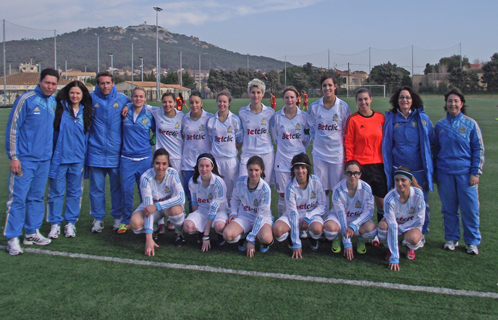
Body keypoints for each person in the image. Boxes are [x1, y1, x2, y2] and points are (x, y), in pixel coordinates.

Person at [4, 68, 59, 255]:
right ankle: (12, 237)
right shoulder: (26, 99)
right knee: (18, 199)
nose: (50, 86)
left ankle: (31, 232)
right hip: (24, 160)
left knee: (36, 197)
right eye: (47, 82)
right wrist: (14, 156)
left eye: (53, 84)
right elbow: (13, 128)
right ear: (40, 81)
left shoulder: (53, 101)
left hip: (44, 159)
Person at [434, 88, 484, 255]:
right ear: (446, 104)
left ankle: (472, 242)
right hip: (445, 174)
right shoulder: (440, 125)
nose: (452, 104)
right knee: (448, 209)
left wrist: (475, 173)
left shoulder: (471, 124)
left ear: (461, 104)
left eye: (456, 101)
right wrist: (435, 173)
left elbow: (478, 149)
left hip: (465, 174)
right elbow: (436, 151)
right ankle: (451, 238)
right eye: (450, 101)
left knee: (470, 209)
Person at [383, 86, 434, 234]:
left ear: (413, 100)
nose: (404, 100)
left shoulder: (422, 119)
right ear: (397, 101)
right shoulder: (391, 119)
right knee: (398, 202)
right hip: (397, 169)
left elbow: (431, 142)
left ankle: (420, 233)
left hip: (418, 170)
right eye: (401, 97)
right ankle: (397, 233)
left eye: (407, 97)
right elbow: (387, 143)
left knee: (421, 203)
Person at [47, 81, 93, 239]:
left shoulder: (85, 112)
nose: (75, 96)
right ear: (67, 93)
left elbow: (86, 137)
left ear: (82, 96)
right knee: (56, 193)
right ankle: (54, 224)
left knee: (75, 193)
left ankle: (70, 223)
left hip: (78, 160)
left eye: (78, 93)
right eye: (72, 93)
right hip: (60, 159)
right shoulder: (59, 109)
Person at [88, 71, 130, 233]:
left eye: (108, 83)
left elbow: (136, 104)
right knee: (96, 189)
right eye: (102, 83)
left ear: (113, 83)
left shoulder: (122, 99)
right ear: (97, 85)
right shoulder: (91, 100)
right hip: (95, 152)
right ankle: (98, 219)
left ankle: (117, 217)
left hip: (115, 153)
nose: (105, 86)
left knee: (116, 188)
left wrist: (129, 106)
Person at [130, 149, 185, 256]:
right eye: (157, 163)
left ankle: (179, 233)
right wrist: (148, 239)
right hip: (152, 209)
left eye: (164, 164)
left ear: (168, 163)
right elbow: (148, 208)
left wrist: (157, 205)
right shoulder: (146, 178)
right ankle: (154, 229)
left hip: (167, 207)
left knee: (176, 212)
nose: (161, 167)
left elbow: (181, 198)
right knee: (135, 223)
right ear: (152, 163)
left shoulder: (173, 173)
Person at [272, 153, 327, 259]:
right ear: (293, 170)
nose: (300, 171)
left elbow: (323, 205)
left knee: (317, 229)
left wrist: (309, 216)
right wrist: (296, 242)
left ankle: (313, 238)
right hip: (293, 215)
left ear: (308, 168)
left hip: (311, 216)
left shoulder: (316, 182)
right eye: (297, 168)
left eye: (303, 167)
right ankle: (290, 236)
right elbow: (292, 213)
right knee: (277, 230)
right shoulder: (290, 186)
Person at [344, 88, 387, 223]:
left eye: (366, 99)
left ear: (371, 99)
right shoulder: (353, 120)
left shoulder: (381, 118)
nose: (363, 102)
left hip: (379, 166)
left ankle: (381, 234)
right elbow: (348, 143)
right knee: (361, 203)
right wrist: (350, 165)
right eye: (360, 100)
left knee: (381, 202)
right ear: (356, 101)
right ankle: (363, 234)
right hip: (361, 167)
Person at [117, 87, 155, 234]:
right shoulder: (125, 112)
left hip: (145, 158)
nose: (138, 99)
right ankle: (126, 221)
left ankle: (147, 220)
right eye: (135, 96)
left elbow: (157, 130)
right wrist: (126, 105)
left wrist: (152, 140)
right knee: (126, 192)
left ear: (145, 99)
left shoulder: (150, 115)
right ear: (131, 98)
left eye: (141, 97)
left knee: (145, 192)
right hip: (126, 159)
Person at [307, 73, 351, 198]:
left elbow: (346, 131)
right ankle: (323, 215)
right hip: (319, 153)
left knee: (337, 188)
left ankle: (337, 215)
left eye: (330, 85)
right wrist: (318, 142)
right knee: (322, 188)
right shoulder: (314, 107)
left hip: (337, 153)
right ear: (321, 88)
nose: (327, 88)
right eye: (324, 85)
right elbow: (311, 128)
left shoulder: (343, 107)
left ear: (335, 86)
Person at [146, 92, 184, 234]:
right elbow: (143, 104)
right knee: (158, 189)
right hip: (160, 159)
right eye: (164, 102)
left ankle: (173, 220)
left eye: (170, 102)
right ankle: (159, 221)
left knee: (175, 189)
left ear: (175, 102)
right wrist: (127, 105)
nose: (167, 105)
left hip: (176, 159)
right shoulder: (157, 112)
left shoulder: (182, 117)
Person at [323, 160, 378, 259]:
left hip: (357, 219)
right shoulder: (337, 189)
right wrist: (347, 243)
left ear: (360, 174)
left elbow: (369, 212)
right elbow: (341, 214)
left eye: (356, 173)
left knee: (371, 231)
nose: (353, 176)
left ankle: (360, 238)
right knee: (329, 230)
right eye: (349, 173)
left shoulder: (366, 188)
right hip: (338, 219)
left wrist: (353, 225)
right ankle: (336, 238)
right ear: (344, 174)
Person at [270, 86, 310, 217]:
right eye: (286, 97)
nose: (289, 100)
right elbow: (275, 137)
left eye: (292, 97)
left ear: (297, 98)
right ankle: (284, 220)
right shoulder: (276, 117)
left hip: (299, 160)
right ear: (283, 99)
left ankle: (300, 221)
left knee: (300, 191)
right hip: (282, 160)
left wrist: (300, 149)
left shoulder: (304, 116)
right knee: (282, 193)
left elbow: (308, 136)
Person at [223, 156, 274, 257]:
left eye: (256, 170)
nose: (253, 173)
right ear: (247, 169)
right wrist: (233, 213)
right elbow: (234, 198)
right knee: (227, 235)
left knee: (266, 238)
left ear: (261, 170)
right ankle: (244, 234)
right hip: (244, 217)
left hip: (261, 218)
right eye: (250, 170)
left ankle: (259, 239)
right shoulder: (240, 181)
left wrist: (252, 239)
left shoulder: (265, 189)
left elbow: (261, 215)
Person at [378, 167, 426, 271]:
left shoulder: (418, 194)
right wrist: (395, 257)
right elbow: (392, 225)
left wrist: (400, 229)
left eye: (403, 180)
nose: (400, 183)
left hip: (410, 225)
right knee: (382, 227)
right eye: (397, 180)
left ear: (409, 181)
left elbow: (420, 220)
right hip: (393, 224)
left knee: (413, 238)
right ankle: (390, 250)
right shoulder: (389, 198)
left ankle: (409, 247)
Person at [183, 153, 229, 252]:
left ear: (212, 167)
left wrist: (206, 236)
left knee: (219, 226)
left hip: (219, 210)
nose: (204, 169)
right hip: (203, 210)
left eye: (207, 166)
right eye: (201, 166)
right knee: (188, 226)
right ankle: (201, 230)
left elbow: (213, 209)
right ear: (197, 167)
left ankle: (219, 236)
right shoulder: (193, 181)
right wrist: (197, 220)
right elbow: (194, 203)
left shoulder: (219, 183)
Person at [206, 90, 242, 205]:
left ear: (229, 103)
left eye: (224, 102)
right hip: (216, 161)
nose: (222, 104)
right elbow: (212, 140)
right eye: (220, 101)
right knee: (216, 190)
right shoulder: (211, 121)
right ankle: (218, 215)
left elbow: (239, 140)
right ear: (216, 102)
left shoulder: (235, 120)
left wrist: (231, 151)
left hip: (231, 161)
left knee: (232, 191)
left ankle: (231, 215)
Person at [238, 79, 275, 184]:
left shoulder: (269, 112)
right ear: (249, 93)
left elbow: (275, 132)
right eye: (253, 92)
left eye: (258, 92)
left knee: (264, 185)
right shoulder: (242, 112)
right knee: (243, 183)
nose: (256, 95)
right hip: (248, 152)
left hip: (266, 153)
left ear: (263, 94)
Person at [181, 91, 213, 213]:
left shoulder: (209, 118)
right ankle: (193, 221)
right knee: (190, 196)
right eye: (192, 102)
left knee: (206, 196)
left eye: (197, 102)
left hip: (204, 164)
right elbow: (183, 137)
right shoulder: (185, 118)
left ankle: (208, 221)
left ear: (201, 103)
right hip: (188, 163)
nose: (194, 105)